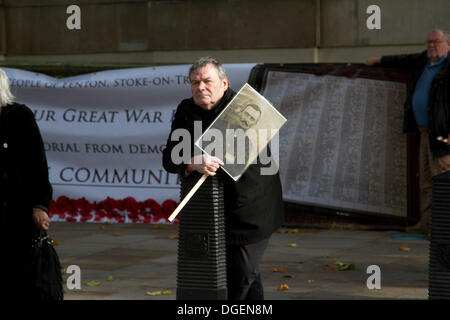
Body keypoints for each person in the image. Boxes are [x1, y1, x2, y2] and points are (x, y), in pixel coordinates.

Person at [162, 57, 284, 300]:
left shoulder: (245, 111)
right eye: (195, 83)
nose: (201, 88)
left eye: (207, 81)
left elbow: (256, 172)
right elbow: (169, 159)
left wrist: (217, 160)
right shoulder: (187, 111)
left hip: (252, 211)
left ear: (224, 83)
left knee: (238, 280)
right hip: (215, 214)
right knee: (246, 278)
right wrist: (191, 162)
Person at [366, 29, 450, 234]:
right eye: (429, 42)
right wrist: (378, 59)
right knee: (426, 180)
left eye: (437, 42)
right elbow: (403, 59)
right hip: (423, 132)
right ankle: (427, 224)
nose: (432, 46)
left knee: (443, 178)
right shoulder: (423, 60)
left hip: (443, 133)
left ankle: (443, 228)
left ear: (448, 44)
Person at [0, 68, 54, 299]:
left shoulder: (19, 117)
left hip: (15, 211)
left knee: (18, 275)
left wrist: (39, 206)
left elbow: (37, 164)